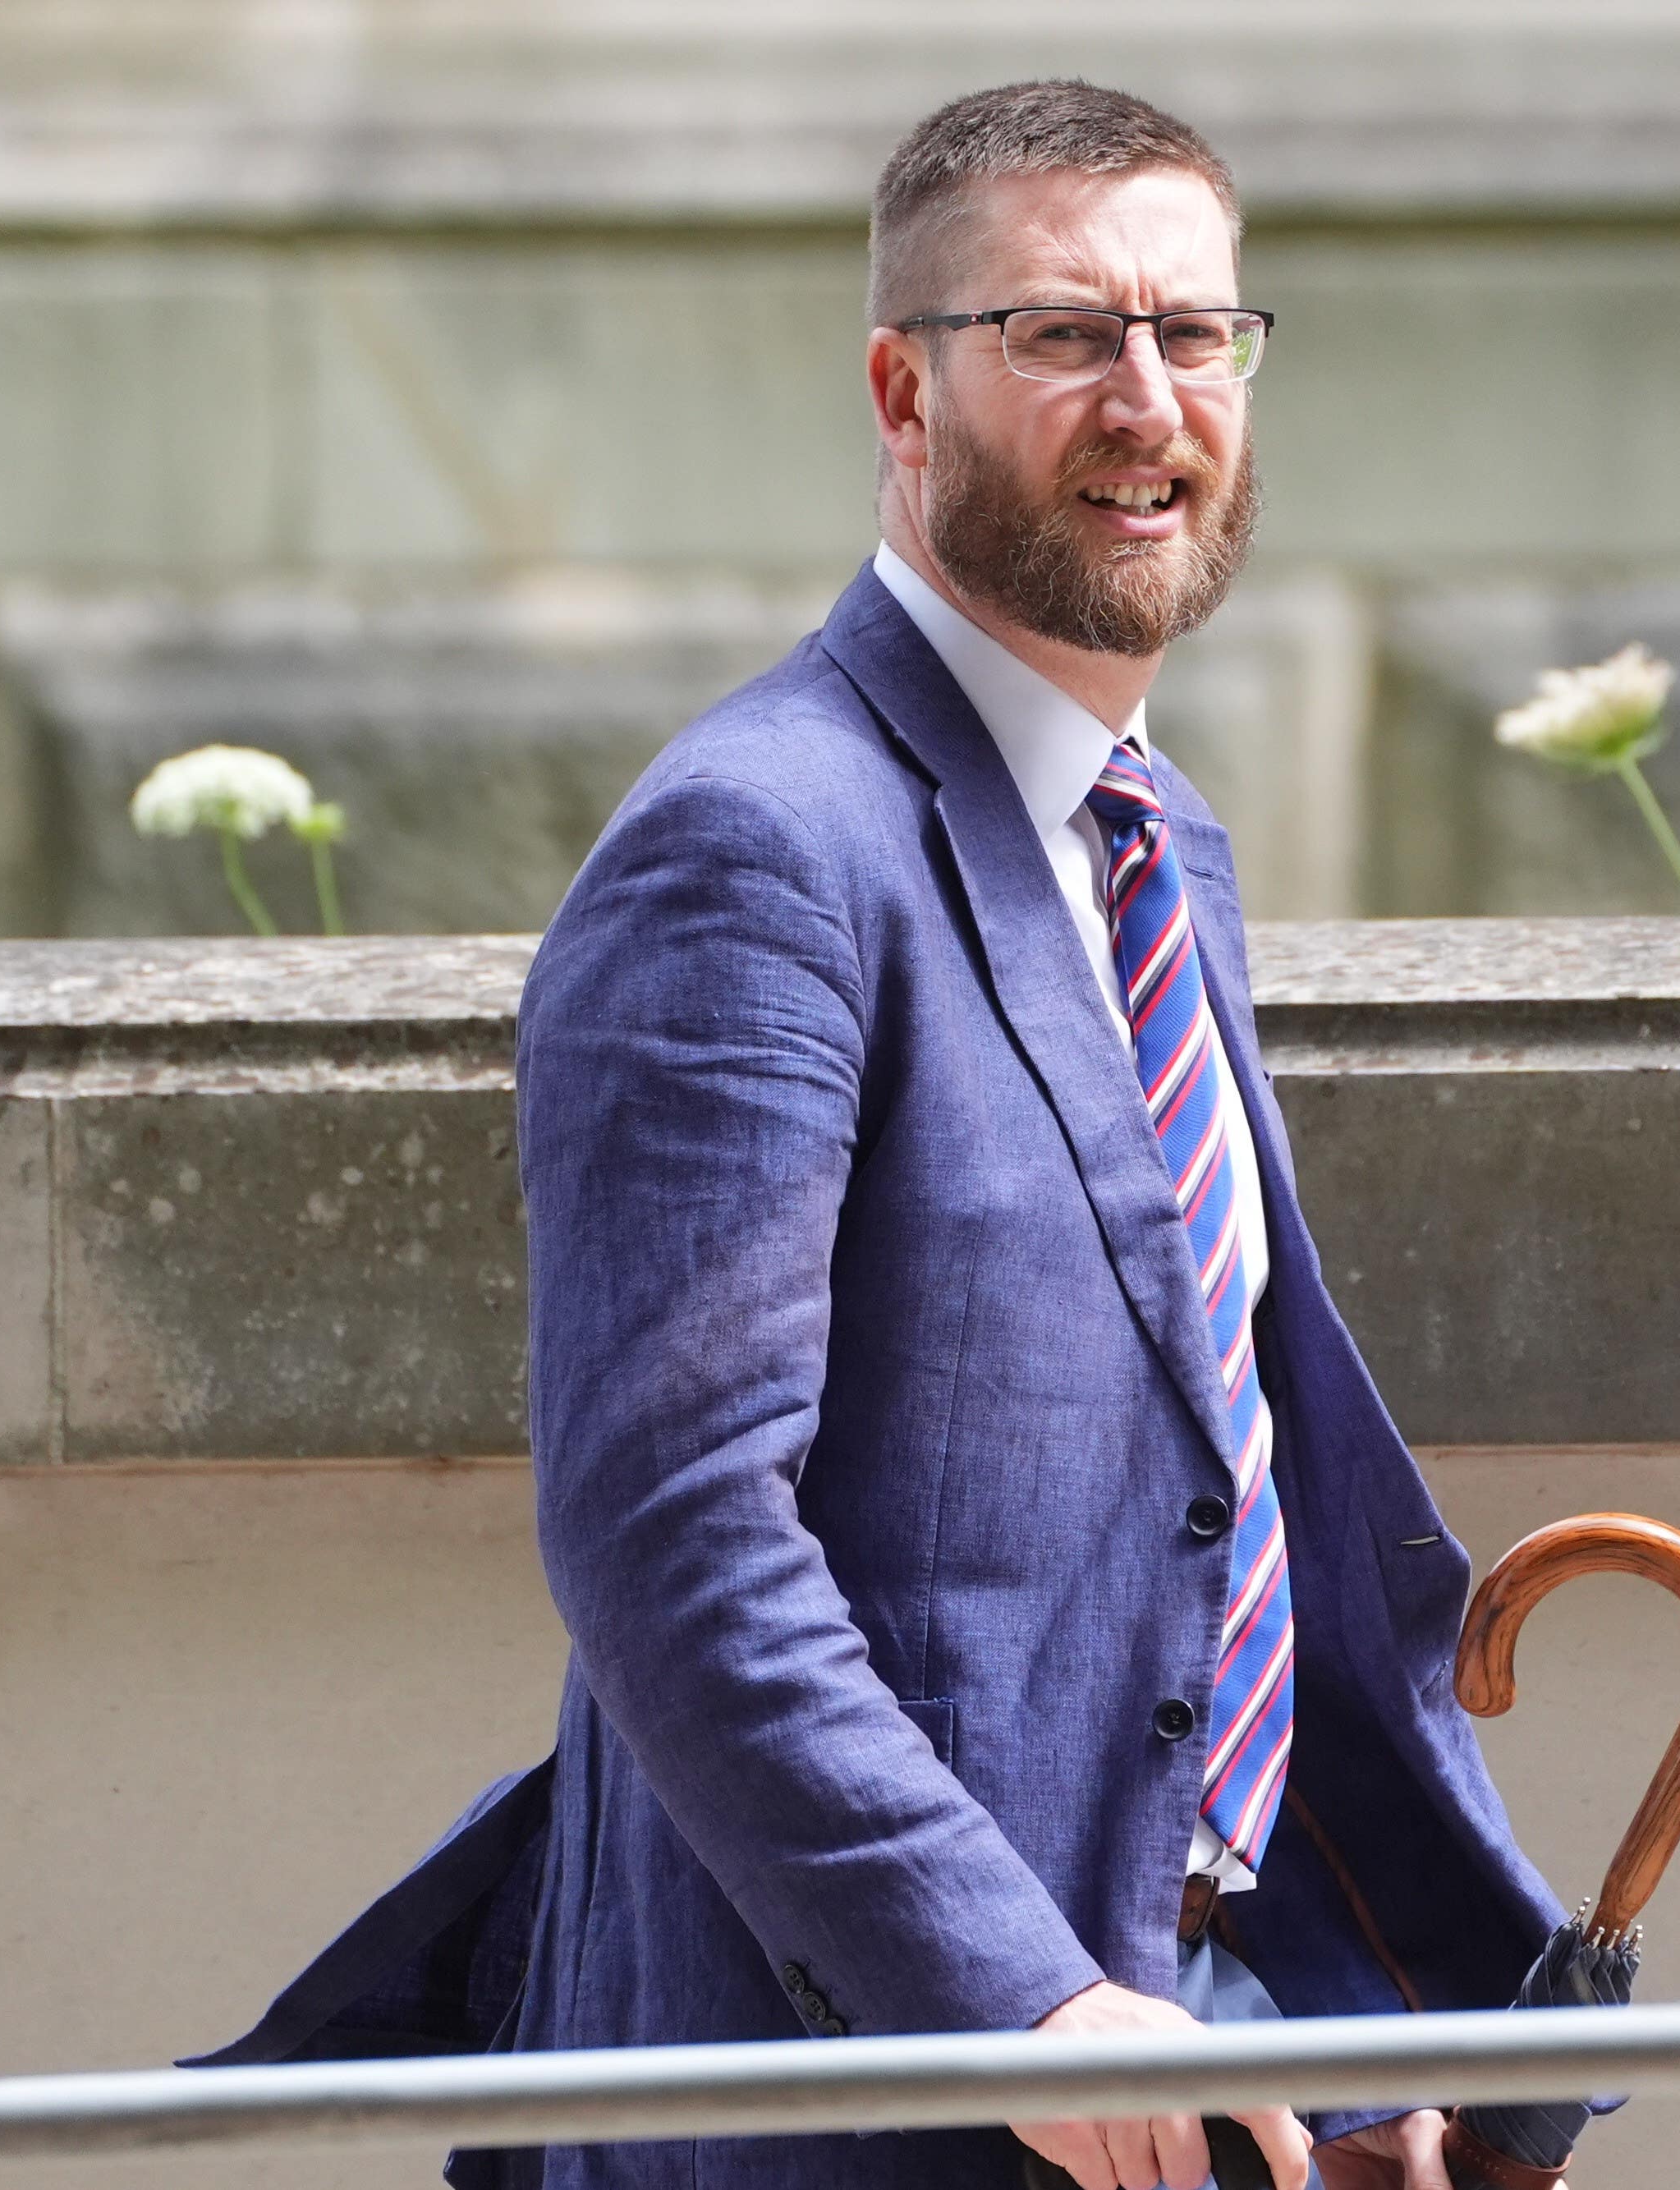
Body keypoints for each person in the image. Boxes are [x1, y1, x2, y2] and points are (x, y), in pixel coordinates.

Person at [190, 80, 1571, 2190]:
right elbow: (671, 1532)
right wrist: (1013, 1993)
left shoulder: (1148, 843)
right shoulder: (758, 843)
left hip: (1183, 2069)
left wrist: (1326, 2039)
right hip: (859, 2110)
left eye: (1194, 335)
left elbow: (1204, 1510)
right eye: (1060, 334)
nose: (1147, 399)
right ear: (898, 393)